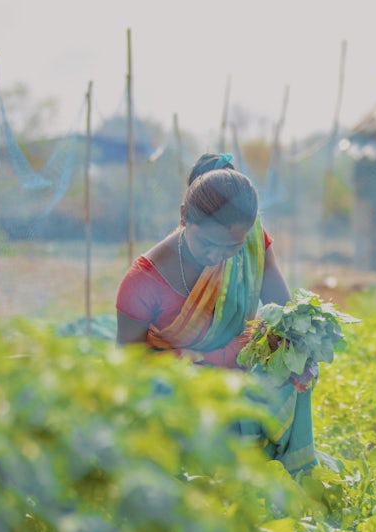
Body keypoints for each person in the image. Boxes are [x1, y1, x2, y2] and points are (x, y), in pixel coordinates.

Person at [115, 152, 317, 475]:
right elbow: (127, 369)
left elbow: (285, 317)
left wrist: (301, 356)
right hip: (181, 383)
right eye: (208, 242)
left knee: (289, 371)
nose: (218, 255)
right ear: (184, 217)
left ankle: (278, 472)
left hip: (239, 372)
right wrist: (191, 365)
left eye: (231, 247)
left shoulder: (252, 244)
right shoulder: (142, 281)